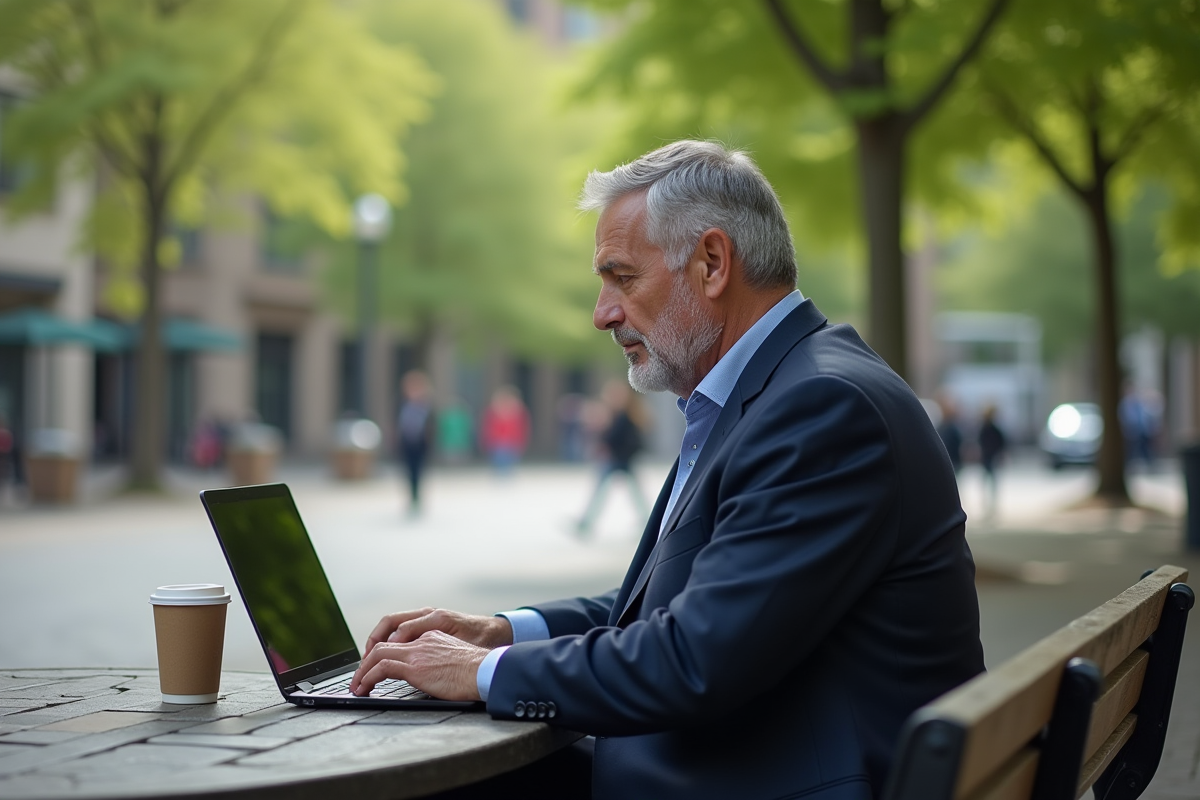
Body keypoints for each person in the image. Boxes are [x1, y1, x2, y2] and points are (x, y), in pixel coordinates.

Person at [349, 141, 984, 800]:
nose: (603, 313)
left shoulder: (820, 410)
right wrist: (504, 631)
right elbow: (693, 606)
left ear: (712, 263)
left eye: (621, 277)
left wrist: (484, 671)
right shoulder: (782, 393)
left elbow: (691, 659)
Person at [575, 380, 651, 536]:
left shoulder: (625, 416)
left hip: (620, 458)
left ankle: (586, 522)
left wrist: (604, 443)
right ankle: (647, 520)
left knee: (608, 490)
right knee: (631, 492)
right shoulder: (621, 414)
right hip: (621, 458)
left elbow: (615, 437)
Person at [396, 370, 436, 516]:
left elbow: (432, 426)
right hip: (407, 443)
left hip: (420, 445)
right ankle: (411, 497)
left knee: (419, 472)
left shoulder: (426, 406)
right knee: (408, 472)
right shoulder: (402, 405)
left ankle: (417, 497)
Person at [479, 385, 530, 476]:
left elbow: (522, 428)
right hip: (498, 442)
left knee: (508, 464)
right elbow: (489, 427)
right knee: (499, 464)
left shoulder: (518, 411)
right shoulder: (493, 411)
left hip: (512, 441)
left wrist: (520, 441)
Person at [977, 403, 1006, 517]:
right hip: (988, 458)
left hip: (990, 458)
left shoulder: (989, 428)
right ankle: (989, 508)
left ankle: (991, 508)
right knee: (989, 484)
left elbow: (1000, 443)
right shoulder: (987, 428)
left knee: (990, 483)